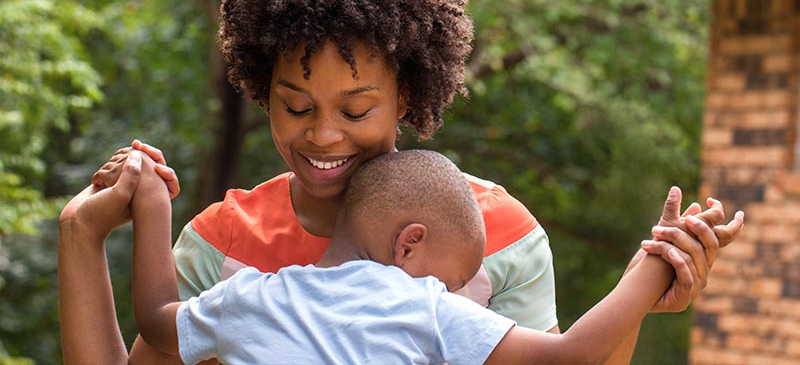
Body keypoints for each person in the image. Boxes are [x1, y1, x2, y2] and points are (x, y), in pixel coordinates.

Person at [72, 0, 741, 362]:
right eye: (296, 107)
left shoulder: (499, 234)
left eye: (356, 110)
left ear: (406, 94)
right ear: (261, 92)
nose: (324, 135)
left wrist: (647, 296)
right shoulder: (223, 245)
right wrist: (80, 232)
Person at [117, 149, 744, 364]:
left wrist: (150, 199)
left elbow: (152, 318)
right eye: (449, 279)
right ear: (408, 244)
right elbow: (573, 354)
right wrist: (656, 261)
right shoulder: (416, 305)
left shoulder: (249, 295)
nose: (448, 291)